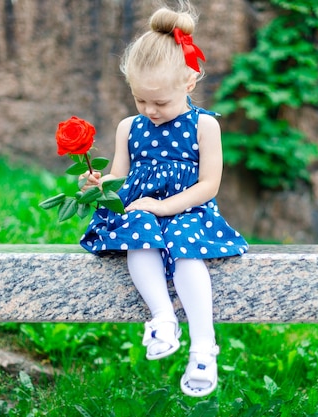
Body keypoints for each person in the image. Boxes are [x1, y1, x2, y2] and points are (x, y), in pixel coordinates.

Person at [78, 1, 248, 397]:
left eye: (160, 102)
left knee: (185, 246)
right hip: (143, 213)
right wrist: (98, 186)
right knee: (139, 228)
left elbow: (209, 185)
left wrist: (165, 206)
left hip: (189, 210)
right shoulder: (128, 127)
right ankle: (162, 318)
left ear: (189, 83)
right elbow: (119, 179)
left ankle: (204, 346)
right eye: (141, 100)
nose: (150, 111)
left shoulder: (204, 126)